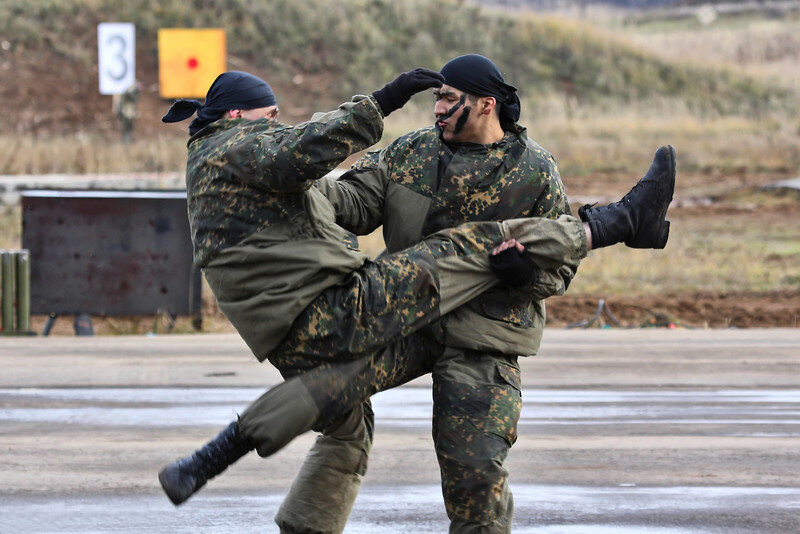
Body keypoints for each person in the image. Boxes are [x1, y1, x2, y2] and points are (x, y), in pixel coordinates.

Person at [157, 69, 675, 533]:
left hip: (482, 335)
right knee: (349, 377)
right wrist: (305, 184)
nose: (438, 108)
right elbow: (353, 202)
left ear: (486, 103)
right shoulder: (411, 153)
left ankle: (207, 462)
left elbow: (558, 273)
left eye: (450, 98)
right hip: (406, 317)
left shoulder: (533, 168)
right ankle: (621, 222)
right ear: (237, 115)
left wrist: (525, 275)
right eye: (436, 98)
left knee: (471, 474)